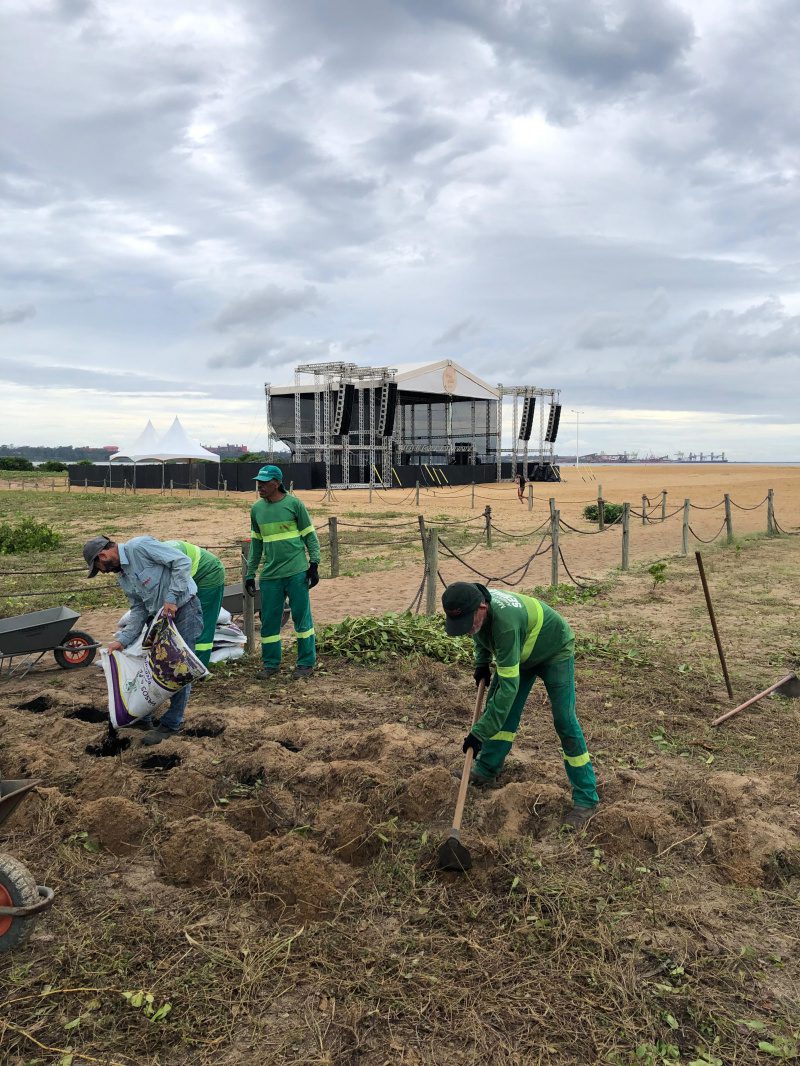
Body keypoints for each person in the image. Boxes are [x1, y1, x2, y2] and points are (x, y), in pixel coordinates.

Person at [441, 581, 599, 828]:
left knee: (564, 720)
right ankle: (486, 769)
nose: (466, 629)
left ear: (482, 608)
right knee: (505, 711)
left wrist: (478, 734)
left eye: (468, 622)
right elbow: (478, 634)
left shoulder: (505, 625)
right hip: (521, 652)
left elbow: (507, 690)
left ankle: (586, 798)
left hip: (554, 649)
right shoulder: (476, 608)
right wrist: (481, 663)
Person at [83, 535, 203, 745]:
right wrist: (123, 640)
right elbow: (138, 608)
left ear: (103, 554)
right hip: (159, 619)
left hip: (184, 610)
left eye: (99, 567)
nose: (102, 571)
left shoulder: (140, 547)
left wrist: (172, 598)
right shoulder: (123, 576)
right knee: (152, 667)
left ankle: (171, 724)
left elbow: (182, 562)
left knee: (179, 668)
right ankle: (143, 717)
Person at [244, 465, 321, 680]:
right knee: (269, 620)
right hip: (270, 576)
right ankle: (270, 665)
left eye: (264, 482)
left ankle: (306, 664)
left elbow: (310, 537)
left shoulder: (295, 504)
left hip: (296, 572)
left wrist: (314, 565)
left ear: (276, 483)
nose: (259, 486)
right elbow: (256, 545)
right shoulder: (256, 509)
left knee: (301, 620)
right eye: (258, 482)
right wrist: (250, 574)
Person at [162, 540, 225, 668]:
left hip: (209, 573)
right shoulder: (155, 555)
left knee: (202, 621)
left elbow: (177, 584)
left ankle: (198, 667)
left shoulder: (164, 556)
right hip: (191, 576)